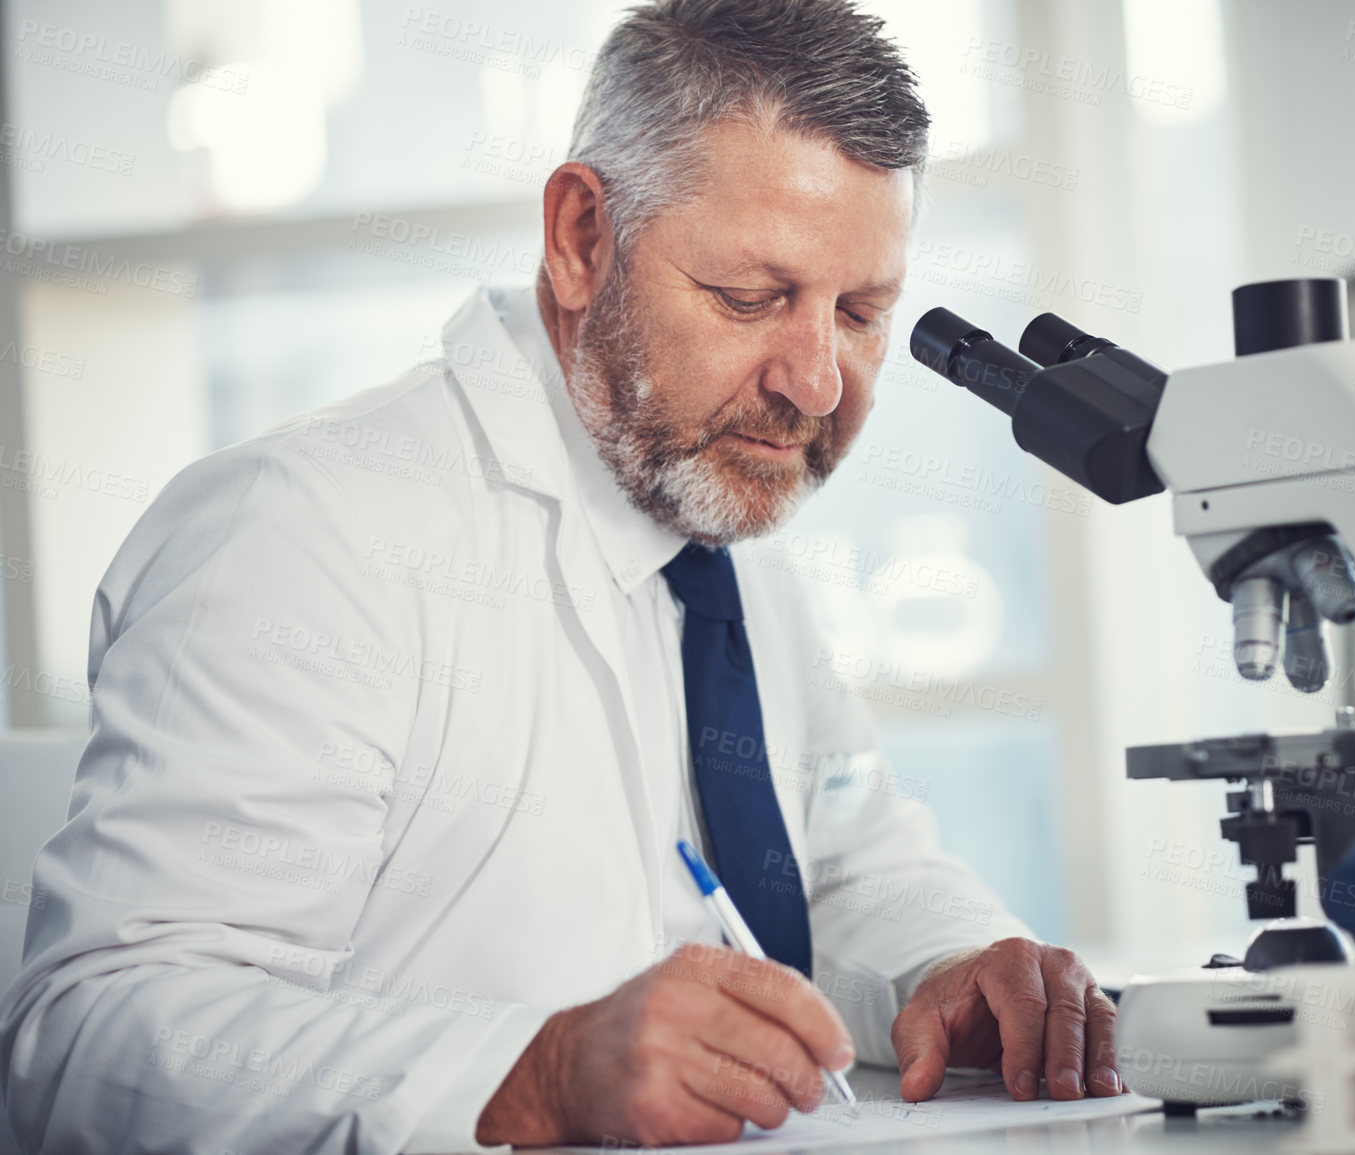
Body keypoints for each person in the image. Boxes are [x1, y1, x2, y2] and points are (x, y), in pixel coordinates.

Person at [0, 1, 1121, 1150]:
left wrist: (954, 965)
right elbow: (88, 1041)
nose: (820, 383)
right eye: (751, 299)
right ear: (583, 237)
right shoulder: (299, 537)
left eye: (862, 312)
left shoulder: (724, 539)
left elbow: (843, 866)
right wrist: (534, 1074)